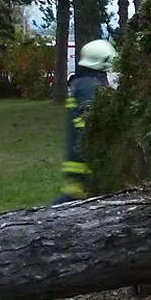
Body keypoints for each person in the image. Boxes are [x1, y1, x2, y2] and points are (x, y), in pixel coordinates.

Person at [55, 39, 118, 204]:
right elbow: (92, 128)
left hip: (80, 170)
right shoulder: (89, 89)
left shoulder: (82, 85)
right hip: (86, 171)